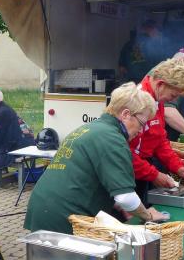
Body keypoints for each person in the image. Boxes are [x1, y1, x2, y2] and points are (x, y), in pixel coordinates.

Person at [24, 83, 168, 233]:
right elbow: (125, 197)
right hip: (63, 217)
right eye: (141, 124)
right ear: (126, 114)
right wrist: (148, 215)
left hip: (43, 209)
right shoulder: (113, 138)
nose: (141, 131)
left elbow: (87, 177)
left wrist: (121, 206)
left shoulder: (91, 128)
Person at [130, 58, 184, 200]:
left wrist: (178, 167)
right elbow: (125, 153)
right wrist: (154, 175)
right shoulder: (137, 102)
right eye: (173, 95)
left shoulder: (156, 99)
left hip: (142, 170)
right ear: (160, 84)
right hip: (128, 174)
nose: (172, 100)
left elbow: (159, 140)